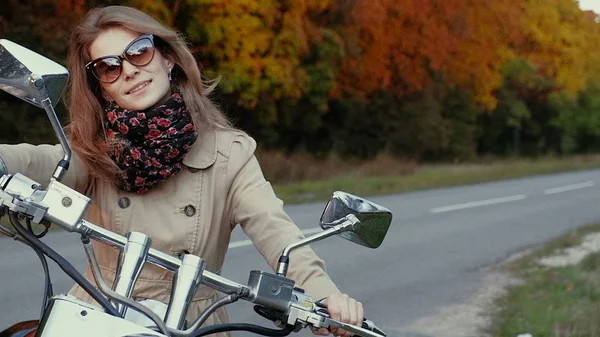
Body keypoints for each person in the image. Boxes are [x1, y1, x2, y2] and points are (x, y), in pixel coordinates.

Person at [0, 5, 363, 337]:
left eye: (139, 52)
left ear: (168, 59)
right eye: (109, 67)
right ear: (103, 89)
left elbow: (277, 230)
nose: (129, 71)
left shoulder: (228, 154)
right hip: (98, 313)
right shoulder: (95, 147)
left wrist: (326, 296)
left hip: (191, 323)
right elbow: (44, 161)